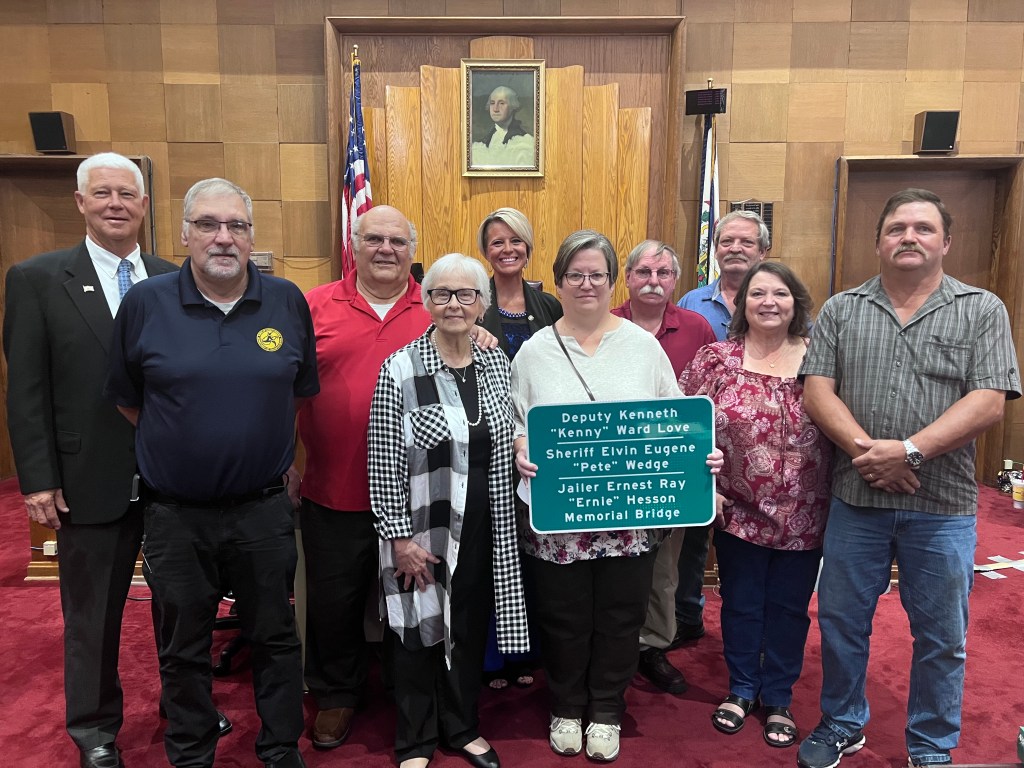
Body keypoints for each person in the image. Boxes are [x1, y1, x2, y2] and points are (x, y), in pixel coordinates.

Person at [796, 188, 1021, 768]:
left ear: (945, 241)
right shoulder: (842, 309)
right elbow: (818, 390)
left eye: (923, 228)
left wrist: (911, 452)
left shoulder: (981, 308)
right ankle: (843, 723)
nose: (909, 237)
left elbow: (989, 400)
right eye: (897, 228)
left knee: (942, 636)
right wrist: (871, 454)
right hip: (855, 499)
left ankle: (931, 745)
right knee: (844, 623)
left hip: (941, 506)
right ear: (878, 241)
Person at [106, 178, 318, 768]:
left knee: (276, 638)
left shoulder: (285, 301)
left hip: (263, 510)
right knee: (182, 645)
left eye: (236, 226)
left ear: (252, 236)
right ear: (183, 233)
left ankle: (280, 750)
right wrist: (185, 442)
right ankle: (192, 752)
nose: (223, 238)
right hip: (175, 513)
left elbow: (297, 394)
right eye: (208, 225)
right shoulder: (145, 303)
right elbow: (128, 399)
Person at [511, 230, 723, 763]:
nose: (586, 284)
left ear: (612, 283)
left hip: (630, 520)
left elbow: (676, 417)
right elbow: (517, 422)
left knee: (621, 616)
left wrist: (703, 456)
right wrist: (519, 449)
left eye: (597, 275)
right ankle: (565, 704)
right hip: (559, 519)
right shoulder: (534, 351)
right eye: (575, 275)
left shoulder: (642, 345)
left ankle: (605, 708)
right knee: (563, 618)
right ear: (558, 281)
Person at [297, 204, 498, 750]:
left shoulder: (436, 307)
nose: (385, 249)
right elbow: (283, 390)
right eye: (374, 238)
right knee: (335, 605)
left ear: (413, 250)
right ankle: (337, 697)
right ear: (354, 244)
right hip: (335, 490)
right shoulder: (312, 305)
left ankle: (421, 710)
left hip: (428, 505)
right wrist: (290, 463)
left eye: (397, 240)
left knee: (417, 608)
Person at [2, 152, 178, 768]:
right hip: (86, 480)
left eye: (127, 194)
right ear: (80, 202)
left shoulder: (169, 278)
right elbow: (25, 389)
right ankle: (94, 729)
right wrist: (38, 478)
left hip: (169, 482)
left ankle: (183, 707)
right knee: (92, 616)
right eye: (101, 193)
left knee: (181, 608)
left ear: (144, 204)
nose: (115, 204)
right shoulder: (37, 279)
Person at [368, 253, 528, 768]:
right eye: (442, 293)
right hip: (424, 530)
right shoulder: (400, 368)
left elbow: (512, 435)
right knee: (418, 629)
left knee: (470, 624)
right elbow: (383, 461)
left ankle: (461, 727)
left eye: (466, 294)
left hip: (490, 526)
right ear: (426, 299)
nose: (454, 304)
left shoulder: (497, 364)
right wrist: (399, 539)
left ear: (483, 302)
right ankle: (415, 739)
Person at [680, 261, 831, 749]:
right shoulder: (716, 359)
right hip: (737, 508)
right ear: (741, 304)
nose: (769, 301)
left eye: (780, 293)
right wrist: (709, 489)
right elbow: (682, 426)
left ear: (796, 303)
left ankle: (778, 696)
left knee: (789, 608)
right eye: (758, 293)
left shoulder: (823, 359)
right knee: (742, 603)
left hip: (808, 510)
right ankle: (742, 688)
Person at [610, 240, 716, 695]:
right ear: (628, 277)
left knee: (663, 568)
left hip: (671, 473)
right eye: (644, 272)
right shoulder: (606, 323)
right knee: (613, 565)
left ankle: (652, 645)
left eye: (663, 274)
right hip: (611, 470)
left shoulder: (697, 327)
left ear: (676, 280)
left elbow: (711, 404)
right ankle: (612, 643)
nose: (653, 281)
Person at [672, 210, 771, 649]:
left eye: (745, 242)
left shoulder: (776, 298)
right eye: (726, 241)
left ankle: (748, 633)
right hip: (700, 443)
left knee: (746, 556)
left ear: (763, 251)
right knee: (694, 538)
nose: (735, 249)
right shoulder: (692, 304)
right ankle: (688, 617)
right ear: (715, 249)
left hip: (757, 455)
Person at [476, 207, 562, 361]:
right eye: (498, 243)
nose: (508, 249)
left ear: (527, 248)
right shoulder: (472, 305)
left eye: (516, 241)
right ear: (486, 252)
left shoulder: (551, 307)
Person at [471, 85, 535, 168]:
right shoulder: (478, 145)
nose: (495, 109)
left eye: (501, 103)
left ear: (513, 106)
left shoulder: (527, 141)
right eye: (492, 103)